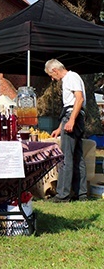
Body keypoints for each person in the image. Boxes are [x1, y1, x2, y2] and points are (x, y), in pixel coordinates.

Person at [45, 59, 88, 202]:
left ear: (55, 70)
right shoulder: (71, 78)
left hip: (73, 116)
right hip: (73, 117)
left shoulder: (71, 77)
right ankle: (81, 193)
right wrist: (60, 127)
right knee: (77, 157)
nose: (52, 79)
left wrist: (71, 120)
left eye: (51, 75)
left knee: (65, 157)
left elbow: (79, 99)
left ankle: (62, 195)